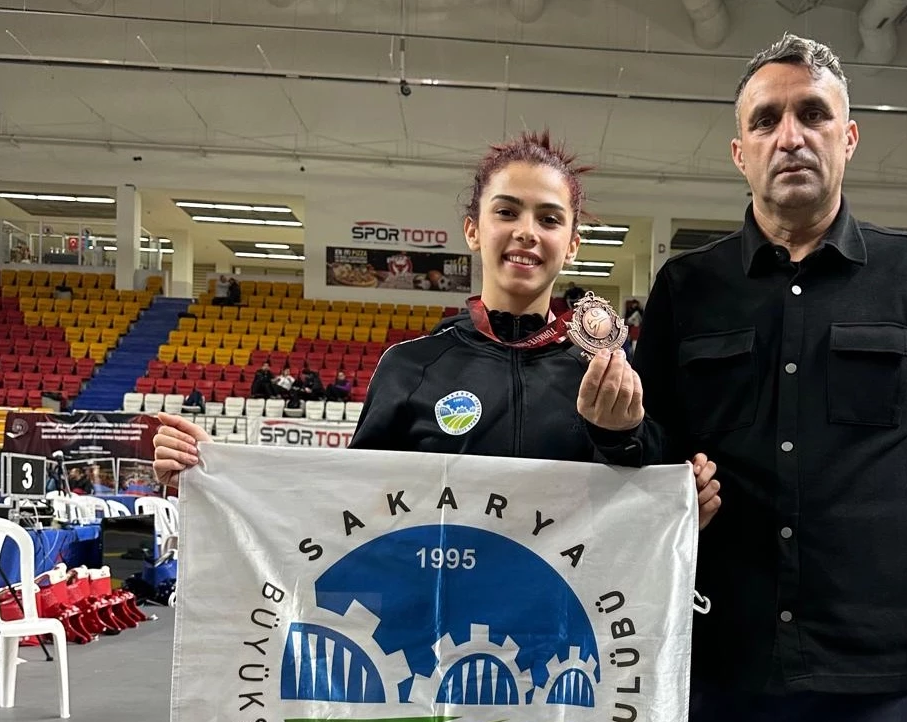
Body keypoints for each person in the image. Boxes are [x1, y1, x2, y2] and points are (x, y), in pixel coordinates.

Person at [631, 33, 907, 722]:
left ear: (847, 138)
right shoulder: (685, 288)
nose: (790, 137)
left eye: (813, 114)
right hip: (722, 658)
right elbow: (651, 451)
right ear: (740, 153)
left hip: (878, 668)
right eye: (765, 120)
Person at [154, 130, 722, 531]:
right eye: (507, 212)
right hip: (440, 643)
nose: (527, 231)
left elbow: (649, 497)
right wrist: (220, 477)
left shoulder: (606, 372)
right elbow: (349, 506)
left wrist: (629, 442)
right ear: (473, 230)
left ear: (571, 244)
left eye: (549, 218)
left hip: (568, 643)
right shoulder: (412, 366)